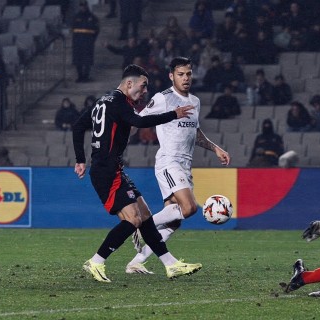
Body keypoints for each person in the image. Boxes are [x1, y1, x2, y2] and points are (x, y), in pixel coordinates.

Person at [72, 64, 202, 282]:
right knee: (133, 219)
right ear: (129, 83)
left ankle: (171, 265)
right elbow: (139, 122)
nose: (144, 92)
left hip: (112, 169)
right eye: (142, 87)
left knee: (145, 216)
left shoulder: (102, 102)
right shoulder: (119, 102)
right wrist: (173, 114)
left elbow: (77, 127)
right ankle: (96, 261)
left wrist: (79, 159)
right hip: (106, 171)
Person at [125, 57, 230, 274]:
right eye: (181, 74)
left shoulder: (195, 101)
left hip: (184, 165)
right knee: (189, 208)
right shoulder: (163, 99)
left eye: (188, 74)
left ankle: (136, 262)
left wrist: (215, 148)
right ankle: (141, 226)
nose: (185, 78)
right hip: (168, 162)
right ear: (171, 76)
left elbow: (196, 133)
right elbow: (138, 120)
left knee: (174, 220)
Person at [72, 1, 99, 82]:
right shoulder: (76, 17)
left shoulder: (92, 17)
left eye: (84, 6)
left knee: (87, 60)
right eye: (81, 6)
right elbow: (73, 29)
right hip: (78, 42)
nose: (83, 7)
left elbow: (96, 30)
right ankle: (80, 76)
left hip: (88, 42)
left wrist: (92, 40)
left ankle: (86, 76)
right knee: (78, 60)